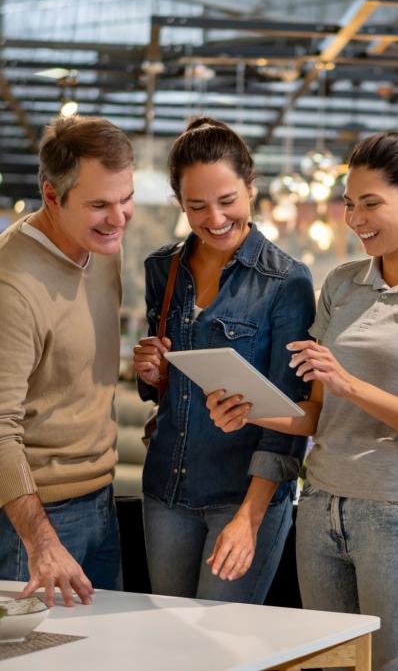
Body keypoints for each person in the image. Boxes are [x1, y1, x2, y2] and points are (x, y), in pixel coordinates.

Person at [207, 131, 398, 668]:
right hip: (320, 510)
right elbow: (317, 413)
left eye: (371, 204)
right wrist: (251, 407)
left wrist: (351, 384)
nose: (356, 219)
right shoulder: (341, 283)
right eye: (350, 204)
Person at [133, 117, 315, 603]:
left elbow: (288, 418)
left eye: (227, 201)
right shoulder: (162, 268)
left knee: (222, 648)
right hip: (165, 491)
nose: (214, 219)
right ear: (180, 203)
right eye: (197, 206)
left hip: (243, 497)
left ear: (251, 188)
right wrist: (152, 373)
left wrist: (250, 517)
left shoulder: (286, 283)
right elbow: (163, 388)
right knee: (168, 642)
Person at [0, 115, 134, 607]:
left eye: (126, 199)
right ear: (51, 197)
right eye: (99, 204)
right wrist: (42, 542)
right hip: (31, 522)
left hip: (102, 500)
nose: (118, 218)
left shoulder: (102, 249)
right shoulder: (11, 285)